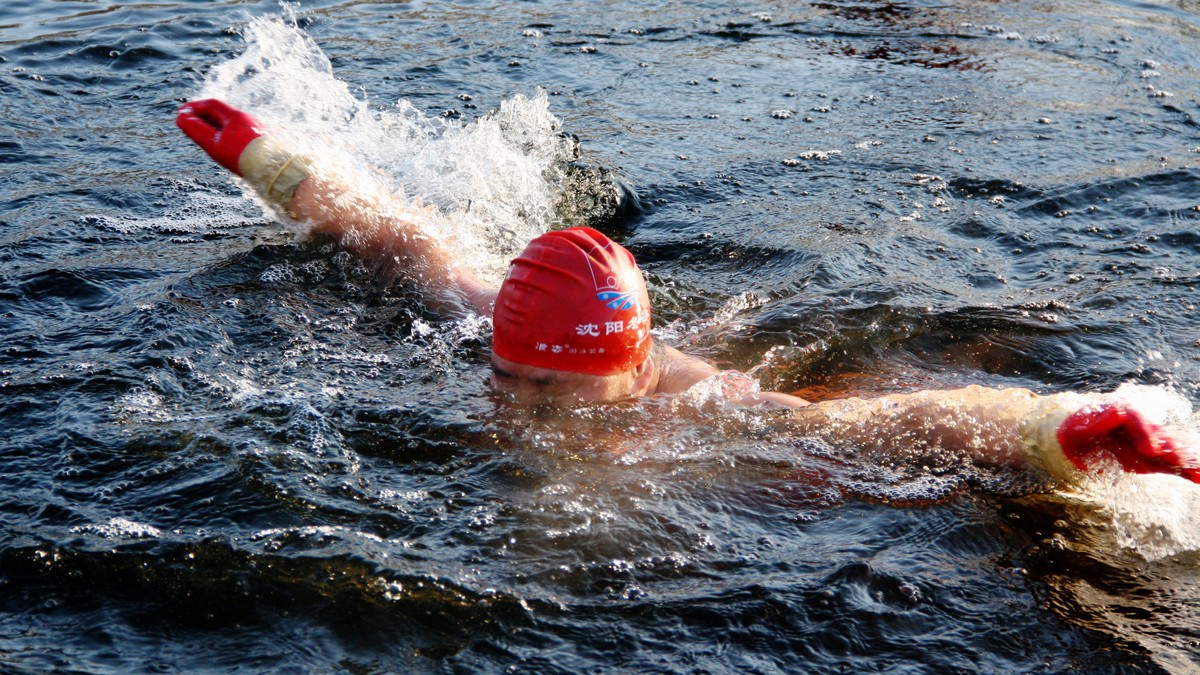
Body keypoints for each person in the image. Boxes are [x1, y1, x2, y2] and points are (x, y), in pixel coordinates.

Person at [175, 98, 1200, 488]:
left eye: (550, 395)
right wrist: (265, 160)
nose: (517, 412)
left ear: (625, 375)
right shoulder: (501, 318)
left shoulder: (696, 406)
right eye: (512, 382)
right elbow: (398, 229)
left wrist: (1054, 432)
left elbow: (889, 427)